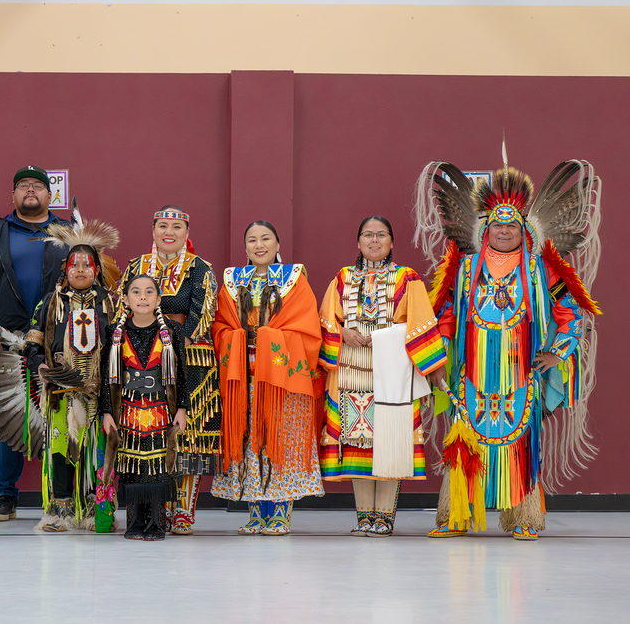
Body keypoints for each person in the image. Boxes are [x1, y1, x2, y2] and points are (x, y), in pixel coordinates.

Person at [414, 155, 602, 540]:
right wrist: (441, 357)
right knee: (466, 437)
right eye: (496, 225)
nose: (503, 231)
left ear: (523, 230)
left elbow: (570, 312)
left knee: (520, 440)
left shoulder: (541, 270)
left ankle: (524, 518)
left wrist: (559, 352)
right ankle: (456, 515)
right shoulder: (465, 269)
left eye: (510, 226)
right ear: (486, 229)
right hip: (473, 371)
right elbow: (446, 315)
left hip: (521, 373)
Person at [318, 216, 447, 537]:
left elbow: (421, 322)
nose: (374, 241)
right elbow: (324, 321)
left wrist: (432, 368)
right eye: (367, 235)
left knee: (390, 441)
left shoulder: (407, 279)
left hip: (393, 372)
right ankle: (364, 517)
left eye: (381, 235)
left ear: (391, 242)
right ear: (358, 242)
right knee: (357, 442)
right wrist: (342, 332)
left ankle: (385, 517)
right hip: (350, 372)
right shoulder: (342, 278)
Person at [211, 221, 324, 535]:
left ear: (277, 245)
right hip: (244, 375)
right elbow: (220, 327)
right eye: (252, 240)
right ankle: (256, 513)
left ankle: (280, 514)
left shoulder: (294, 279)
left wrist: (264, 339)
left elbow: (305, 327)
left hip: (280, 378)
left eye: (265, 239)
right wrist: (238, 339)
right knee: (250, 440)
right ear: (245, 247)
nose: (259, 245)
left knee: (280, 439)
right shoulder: (233, 281)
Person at [116, 205, 220, 534]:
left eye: (177, 226)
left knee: (187, 436)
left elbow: (202, 311)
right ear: (153, 230)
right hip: (142, 360)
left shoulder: (200, 268)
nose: (169, 231)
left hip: (189, 357)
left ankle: (183, 511)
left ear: (187, 234)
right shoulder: (136, 267)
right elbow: (122, 306)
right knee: (147, 435)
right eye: (163, 225)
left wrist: (174, 344)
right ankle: (151, 511)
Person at [0, 165, 70, 522]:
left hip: (59, 341)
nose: (30, 190)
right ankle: (5, 496)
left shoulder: (69, 232)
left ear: (50, 195)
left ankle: (60, 494)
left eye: (38, 185)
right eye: (22, 186)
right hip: (6, 340)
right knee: (10, 414)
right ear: (13, 195)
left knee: (63, 418)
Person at [23, 212, 120, 531]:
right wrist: (41, 364)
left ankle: (95, 508)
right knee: (62, 446)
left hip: (99, 392)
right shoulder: (51, 302)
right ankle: (59, 510)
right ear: (65, 268)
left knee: (94, 449)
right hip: (60, 395)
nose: (80, 270)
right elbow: (33, 342)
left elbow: (119, 347)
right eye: (74, 264)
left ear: (97, 270)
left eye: (86, 265)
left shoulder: (110, 304)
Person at [100, 275, 190, 540]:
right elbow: (107, 376)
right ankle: (134, 523)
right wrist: (107, 411)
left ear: (158, 299)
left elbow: (182, 374)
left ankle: (156, 523)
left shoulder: (172, 330)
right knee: (131, 466)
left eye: (149, 292)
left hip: (161, 410)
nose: (142, 297)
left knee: (158, 466)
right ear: (125, 299)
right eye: (135, 292)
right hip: (127, 412)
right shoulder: (116, 332)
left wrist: (182, 408)